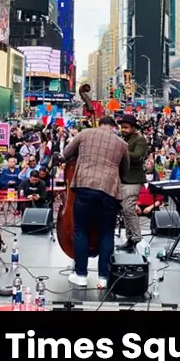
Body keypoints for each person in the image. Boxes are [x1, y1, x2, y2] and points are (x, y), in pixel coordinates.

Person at [62, 116, 130, 289]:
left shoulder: (85, 133)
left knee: (81, 232)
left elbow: (66, 154)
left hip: (84, 187)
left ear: (100, 124)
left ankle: (81, 275)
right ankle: (104, 278)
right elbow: (125, 170)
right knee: (107, 234)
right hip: (109, 191)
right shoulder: (122, 144)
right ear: (113, 127)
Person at [117, 115, 148, 252]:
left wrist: (121, 150)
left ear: (133, 127)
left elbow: (137, 156)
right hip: (122, 179)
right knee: (124, 209)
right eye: (122, 127)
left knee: (128, 208)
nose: (123, 130)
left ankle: (137, 239)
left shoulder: (140, 140)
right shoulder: (122, 140)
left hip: (134, 179)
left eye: (126, 127)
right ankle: (130, 239)